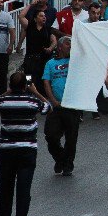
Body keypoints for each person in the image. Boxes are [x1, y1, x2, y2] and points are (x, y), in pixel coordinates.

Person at [0, 71, 51, 216]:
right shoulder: (32, 101)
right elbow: (48, 106)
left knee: (5, 189)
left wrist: (10, 90)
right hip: (27, 150)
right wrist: (35, 91)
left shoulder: (3, 101)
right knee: (23, 192)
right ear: (25, 86)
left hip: (6, 150)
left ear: (10, 86)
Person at [43, 37, 79, 177]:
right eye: (67, 43)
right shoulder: (50, 64)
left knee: (71, 139)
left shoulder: (75, 62)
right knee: (50, 136)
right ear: (59, 47)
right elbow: (46, 83)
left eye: (71, 43)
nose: (70, 45)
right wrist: (53, 101)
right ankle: (60, 158)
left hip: (72, 106)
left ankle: (67, 165)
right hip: (56, 106)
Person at [19, 8, 57, 95]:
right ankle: (29, 93)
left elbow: (54, 41)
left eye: (44, 16)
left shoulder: (47, 28)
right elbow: (21, 16)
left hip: (43, 59)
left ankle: (42, 96)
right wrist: (31, 5)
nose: (44, 17)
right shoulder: (30, 26)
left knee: (42, 78)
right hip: (30, 58)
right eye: (41, 16)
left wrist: (50, 48)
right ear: (35, 18)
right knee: (29, 77)